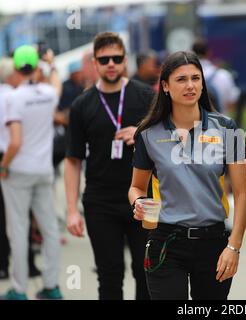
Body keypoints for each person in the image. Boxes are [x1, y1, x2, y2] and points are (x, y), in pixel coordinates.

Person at [128, 51, 246, 300]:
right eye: (181, 79)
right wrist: (138, 202)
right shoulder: (148, 134)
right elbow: (136, 187)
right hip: (166, 243)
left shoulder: (226, 128)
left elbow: (242, 192)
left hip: (214, 241)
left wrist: (234, 247)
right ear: (165, 86)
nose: (190, 85)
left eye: (196, 78)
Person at [64, 32, 155, 300]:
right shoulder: (82, 105)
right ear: (95, 63)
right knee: (109, 275)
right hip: (100, 201)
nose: (111, 64)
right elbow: (72, 159)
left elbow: (170, 137)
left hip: (145, 197)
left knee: (147, 272)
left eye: (116, 58)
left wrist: (139, 131)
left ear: (125, 60)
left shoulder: (146, 96)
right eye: (104, 60)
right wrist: (71, 211)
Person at [0, 45, 62, 300]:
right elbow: (55, 83)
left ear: (15, 67)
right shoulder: (48, 92)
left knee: (18, 230)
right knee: (49, 229)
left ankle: (19, 289)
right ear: (36, 66)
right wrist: (51, 65)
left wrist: (3, 166)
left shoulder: (14, 97)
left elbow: (14, 142)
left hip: (18, 172)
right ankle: (52, 286)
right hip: (43, 170)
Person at [192, 38, 240, 114]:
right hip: (220, 122)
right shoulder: (224, 75)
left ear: (192, 53)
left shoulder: (186, 77)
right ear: (208, 53)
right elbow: (232, 102)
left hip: (195, 123)